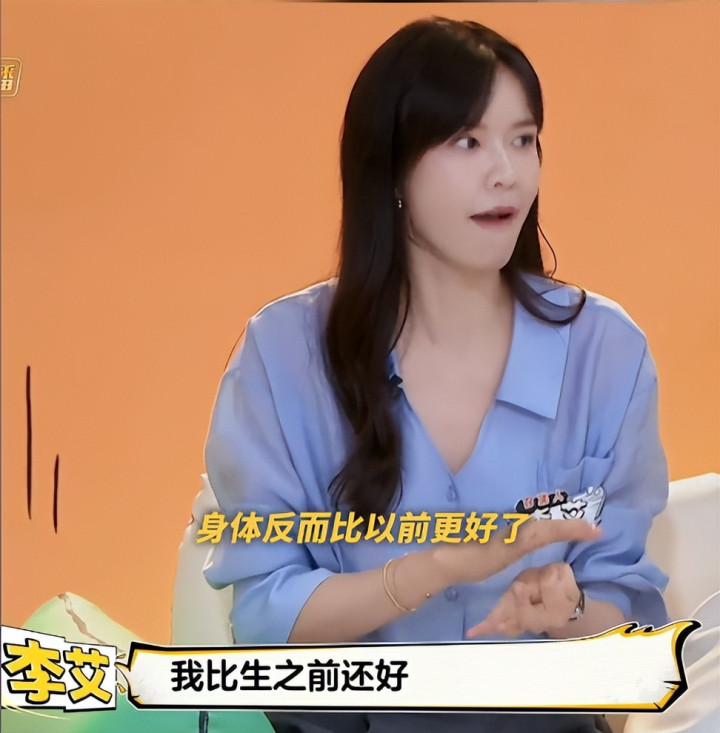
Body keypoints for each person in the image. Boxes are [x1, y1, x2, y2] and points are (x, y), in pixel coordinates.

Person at [203, 17, 669, 733]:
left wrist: (569, 610)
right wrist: (435, 569)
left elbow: (630, 641)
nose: (506, 172)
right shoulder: (285, 354)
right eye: (467, 142)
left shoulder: (605, 352)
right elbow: (265, 620)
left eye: (523, 139)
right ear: (391, 168)